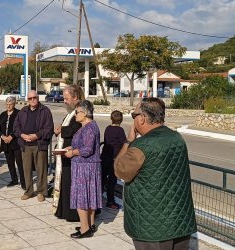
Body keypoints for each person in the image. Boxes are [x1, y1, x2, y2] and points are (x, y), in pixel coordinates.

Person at [114, 97, 197, 250]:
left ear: (143, 118)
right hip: (180, 220)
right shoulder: (177, 138)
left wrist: (128, 141)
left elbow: (120, 170)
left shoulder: (141, 146)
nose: (134, 119)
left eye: (134, 115)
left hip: (151, 226)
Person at [64, 100, 102, 239]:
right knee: (90, 197)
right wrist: (71, 148)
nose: (75, 115)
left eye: (77, 112)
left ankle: (85, 229)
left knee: (82, 198)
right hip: (88, 167)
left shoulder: (89, 127)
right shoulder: (87, 126)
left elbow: (87, 149)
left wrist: (73, 153)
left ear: (85, 113)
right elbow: (83, 145)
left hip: (85, 168)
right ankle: (90, 224)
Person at [13, 90, 54, 202]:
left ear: (38, 98)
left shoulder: (45, 111)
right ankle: (29, 191)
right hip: (25, 145)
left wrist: (36, 136)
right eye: (30, 98)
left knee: (41, 169)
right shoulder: (23, 111)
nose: (32, 100)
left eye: (34, 97)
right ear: (27, 100)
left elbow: (49, 129)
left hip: (39, 145)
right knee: (26, 170)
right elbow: (16, 127)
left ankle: (41, 192)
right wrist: (22, 135)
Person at [53, 85, 84, 222]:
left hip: (74, 155)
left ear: (76, 98)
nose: (64, 101)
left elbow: (76, 127)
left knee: (71, 185)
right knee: (65, 183)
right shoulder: (71, 112)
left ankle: (73, 214)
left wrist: (62, 130)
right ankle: (64, 211)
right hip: (65, 155)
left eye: (66, 98)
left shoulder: (82, 110)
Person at [0, 96, 25, 189]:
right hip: (6, 143)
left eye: (10, 104)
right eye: (7, 104)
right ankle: (14, 179)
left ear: (14, 104)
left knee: (20, 163)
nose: (8, 106)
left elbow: (20, 127)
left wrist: (11, 136)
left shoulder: (19, 114)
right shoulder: (3, 114)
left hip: (16, 143)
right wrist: (2, 136)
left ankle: (24, 182)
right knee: (10, 162)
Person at [100, 110, 126, 209]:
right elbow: (124, 143)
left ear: (111, 118)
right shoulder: (120, 131)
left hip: (104, 156)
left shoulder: (107, 128)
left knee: (102, 179)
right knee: (112, 181)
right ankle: (110, 201)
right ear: (121, 120)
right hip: (114, 159)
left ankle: (99, 198)